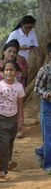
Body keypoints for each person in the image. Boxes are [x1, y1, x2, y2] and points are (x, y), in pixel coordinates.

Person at [0, 61, 25, 179]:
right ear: (3, 73)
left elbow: (20, 105)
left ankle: (6, 163)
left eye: (11, 70)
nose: (9, 72)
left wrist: (20, 120)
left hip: (12, 118)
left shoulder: (19, 87)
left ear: (16, 73)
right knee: (1, 145)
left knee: (9, 143)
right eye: (6, 70)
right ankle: (2, 170)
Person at [34, 42, 51, 174]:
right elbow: (37, 89)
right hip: (48, 106)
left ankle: (40, 151)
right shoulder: (44, 70)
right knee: (48, 136)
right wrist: (47, 93)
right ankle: (48, 165)